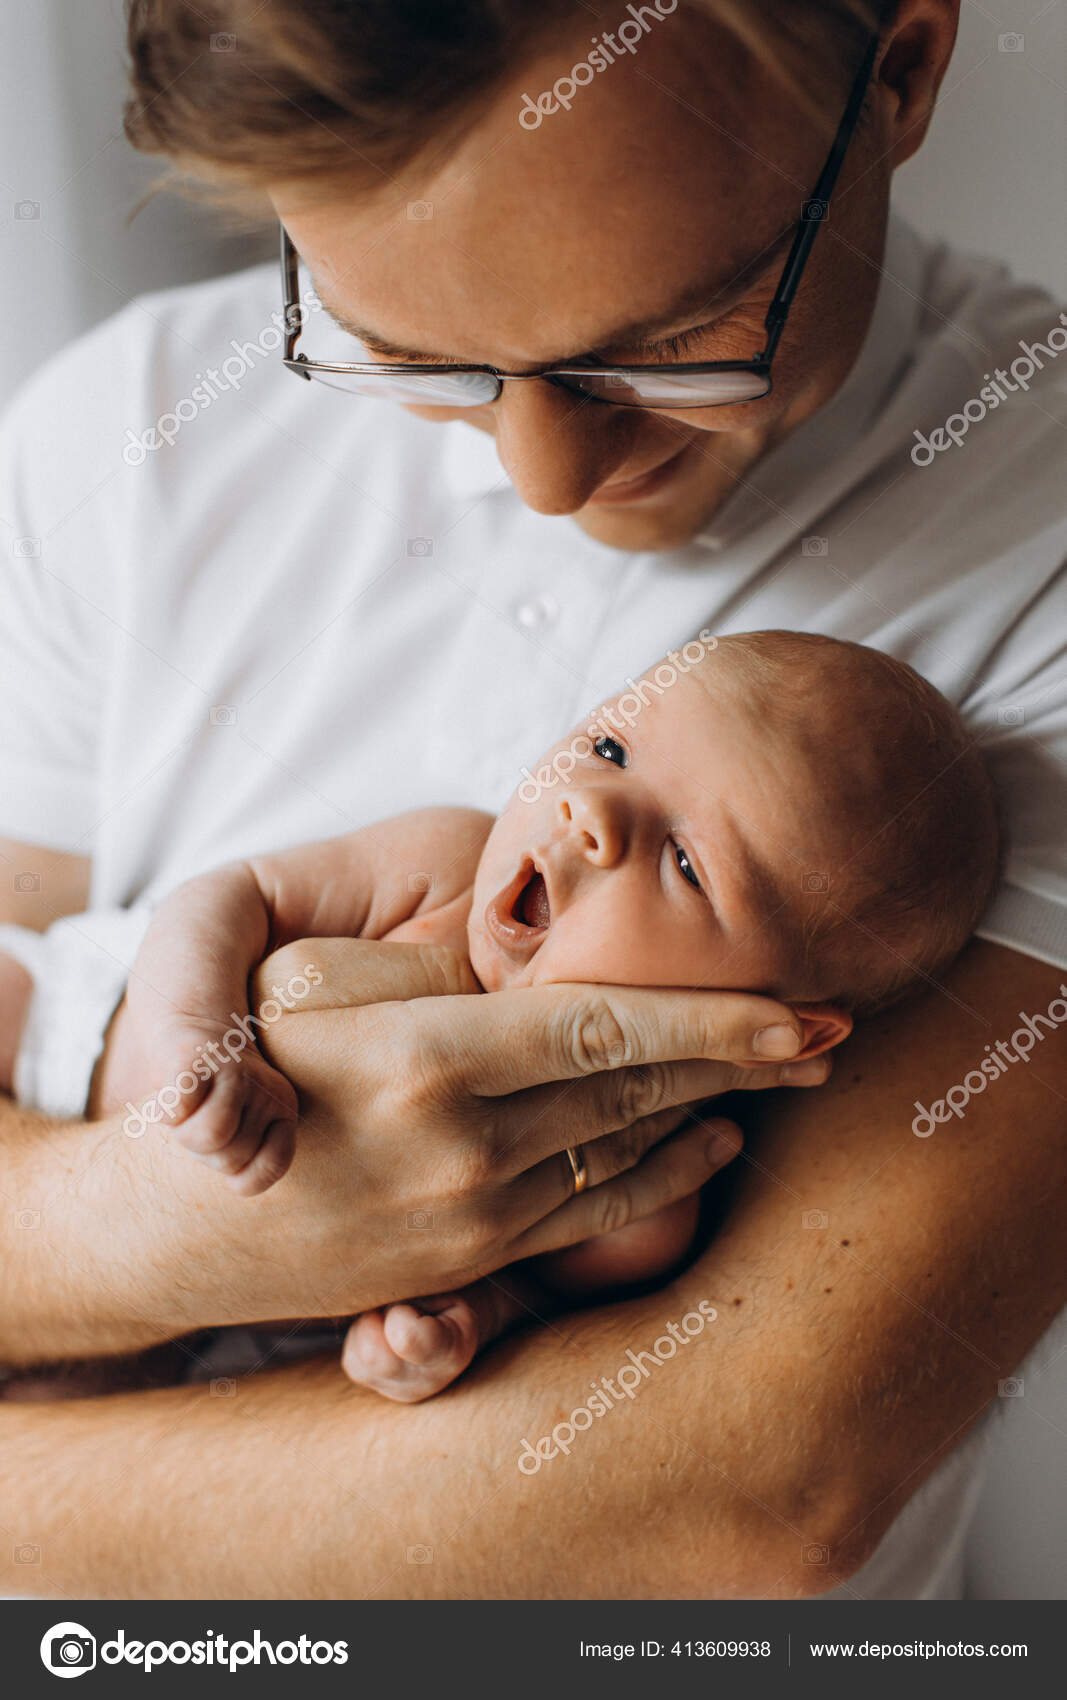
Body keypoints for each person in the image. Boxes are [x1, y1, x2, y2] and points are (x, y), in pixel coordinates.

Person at [0, 0, 1064, 1601]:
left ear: (901, 67)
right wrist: (167, 1229)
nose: (544, 477)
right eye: (407, 354)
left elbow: (745, 1490)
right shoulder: (117, 432)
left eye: (670, 341)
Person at [81, 629, 997, 1405]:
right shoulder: (439, 862)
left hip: (168, 1345)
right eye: (609, 751)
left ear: (788, 1023)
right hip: (76, 1021)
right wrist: (198, 1034)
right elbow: (228, 896)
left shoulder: (645, 1189)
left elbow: (531, 1282)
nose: (590, 810)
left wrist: (463, 1318)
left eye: (685, 865)